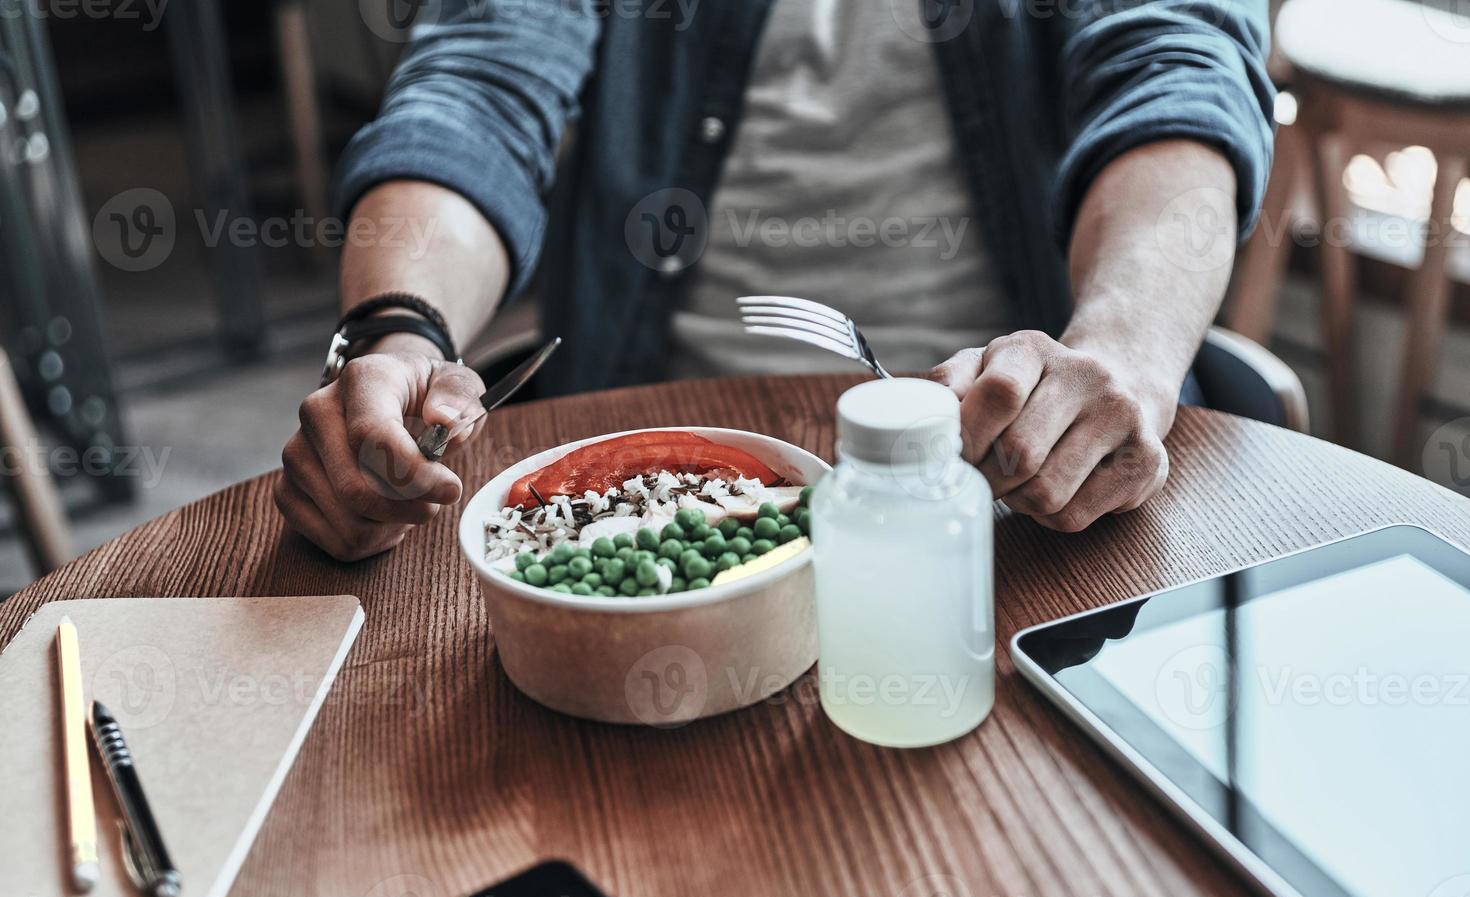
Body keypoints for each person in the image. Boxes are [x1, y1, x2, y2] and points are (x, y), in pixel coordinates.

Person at [277, 0, 1275, 561]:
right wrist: (400, 331)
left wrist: (1125, 350)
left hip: (1015, 493)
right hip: (648, 472)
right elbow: (477, 87)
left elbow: (1175, 69)